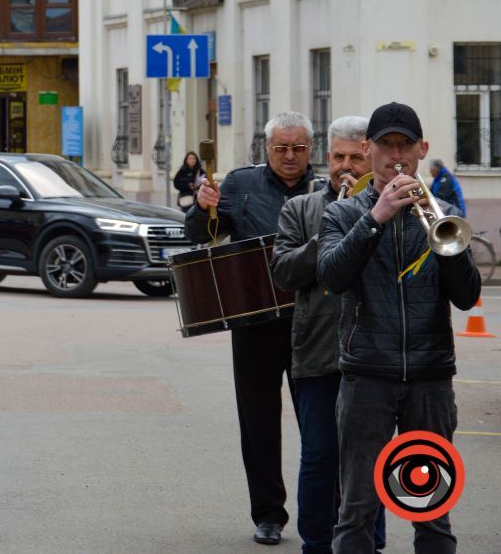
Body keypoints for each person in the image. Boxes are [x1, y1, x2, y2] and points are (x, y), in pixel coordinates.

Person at [318, 102, 479, 553]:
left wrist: (448, 247)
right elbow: (331, 277)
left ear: (422, 149)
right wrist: (375, 218)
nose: (396, 156)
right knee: (358, 510)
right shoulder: (344, 214)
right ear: (367, 150)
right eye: (385, 146)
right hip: (367, 375)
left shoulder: (442, 212)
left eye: (405, 146)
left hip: (429, 378)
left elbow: (467, 297)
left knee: (430, 510)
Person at [186, 111, 316, 546]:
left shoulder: (329, 189)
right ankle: (268, 516)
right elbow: (200, 237)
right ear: (266, 148)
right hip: (255, 325)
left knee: (319, 425)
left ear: (311, 150)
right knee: (259, 425)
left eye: (298, 147)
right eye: (281, 147)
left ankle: (321, 513)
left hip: (314, 326)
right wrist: (202, 207)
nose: (290, 155)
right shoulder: (240, 185)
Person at [271, 116, 385, 554]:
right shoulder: (299, 209)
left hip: (373, 353)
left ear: (370, 156)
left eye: (357, 157)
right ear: (327, 158)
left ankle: (370, 543)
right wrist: (328, 234)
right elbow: (282, 272)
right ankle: (315, 545)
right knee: (319, 458)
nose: (347, 166)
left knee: (370, 461)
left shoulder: (388, 207)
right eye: (338, 157)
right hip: (317, 350)